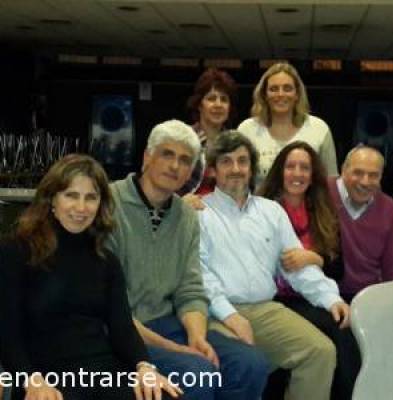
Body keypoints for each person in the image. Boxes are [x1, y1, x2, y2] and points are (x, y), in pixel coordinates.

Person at [106, 120, 269, 400]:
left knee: (250, 363)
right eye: (167, 154)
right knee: (198, 372)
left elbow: (190, 289)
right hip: (121, 331)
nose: (174, 166)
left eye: (184, 160)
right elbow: (108, 307)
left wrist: (197, 338)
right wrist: (178, 350)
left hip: (170, 323)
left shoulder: (186, 217)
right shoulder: (108, 204)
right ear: (147, 157)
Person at [0, 154, 181, 400]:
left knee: (165, 395)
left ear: (100, 204)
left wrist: (145, 367)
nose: (81, 208)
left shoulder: (106, 260)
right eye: (71, 195)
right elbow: (8, 333)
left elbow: (123, 329)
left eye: (91, 197)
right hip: (44, 378)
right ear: (52, 199)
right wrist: (30, 380)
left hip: (103, 371)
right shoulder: (17, 252)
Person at [198, 131, 350, 400]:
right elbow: (199, 276)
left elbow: (296, 266)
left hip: (265, 310)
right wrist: (230, 315)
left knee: (321, 352)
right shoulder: (199, 213)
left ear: (252, 168)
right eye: (226, 162)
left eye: (242, 161)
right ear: (212, 170)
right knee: (245, 363)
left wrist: (330, 298)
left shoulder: (271, 211)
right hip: (216, 312)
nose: (236, 169)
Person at [258, 141, 361, 400]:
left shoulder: (324, 211)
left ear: (313, 175)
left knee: (347, 326)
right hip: (274, 300)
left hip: (316, 295)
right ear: (280, 171)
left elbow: (339, 270)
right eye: (290, 166)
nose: (297, 173)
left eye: (304, 168)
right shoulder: (261, 209)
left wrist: (314, 258)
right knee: (335, 333)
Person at [328, 145, 393, 303]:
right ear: (343, 170)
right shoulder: (321, 193)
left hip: (366, 298)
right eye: (358, 173)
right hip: (318, 294)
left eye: (373, 175)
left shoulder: (390, 210)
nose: (365, 182)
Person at [238, 62, 338, 187]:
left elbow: (330, 181)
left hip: (307, 206)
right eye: (274, 89)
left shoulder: (319, 129)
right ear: (264, 95)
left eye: (287, 88)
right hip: (258, 205)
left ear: (297, 94)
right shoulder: (247, 129)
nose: (280, 94)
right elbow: (237, 178)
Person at [179, 68, 237, 209]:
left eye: (224, 99)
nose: (218, 104)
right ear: (199, 105)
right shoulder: (182, 138)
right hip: (185, 213)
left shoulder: (235, 143)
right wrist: (178, 202)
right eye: (211, 98)